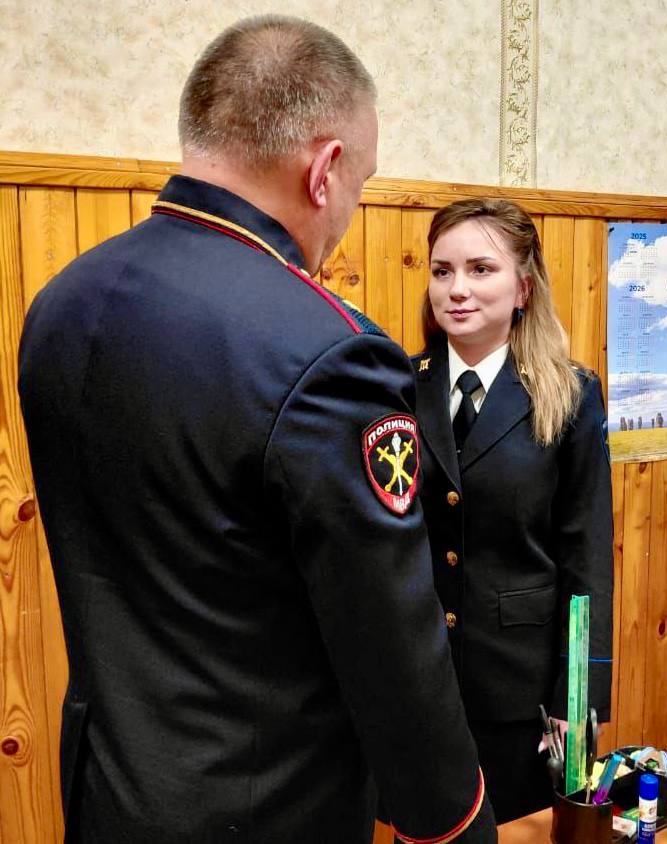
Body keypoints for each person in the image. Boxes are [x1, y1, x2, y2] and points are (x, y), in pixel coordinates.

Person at [18, 16, 496, 843]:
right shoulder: (328, 353)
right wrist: (451, 824)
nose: (349, 210)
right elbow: (390, 647)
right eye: (360, 185)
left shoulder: (63, 301)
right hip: (266, 807)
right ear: (324, 170)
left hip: (109, 791)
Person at [411, 199, 614, 823]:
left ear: (523, 287)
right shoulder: (395, 386)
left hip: (519, 693)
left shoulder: (570, 395)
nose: (457, 289)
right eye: (442, 271)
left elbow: (585, 559)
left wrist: (577, 698)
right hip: (415, 680)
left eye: (481, 269)